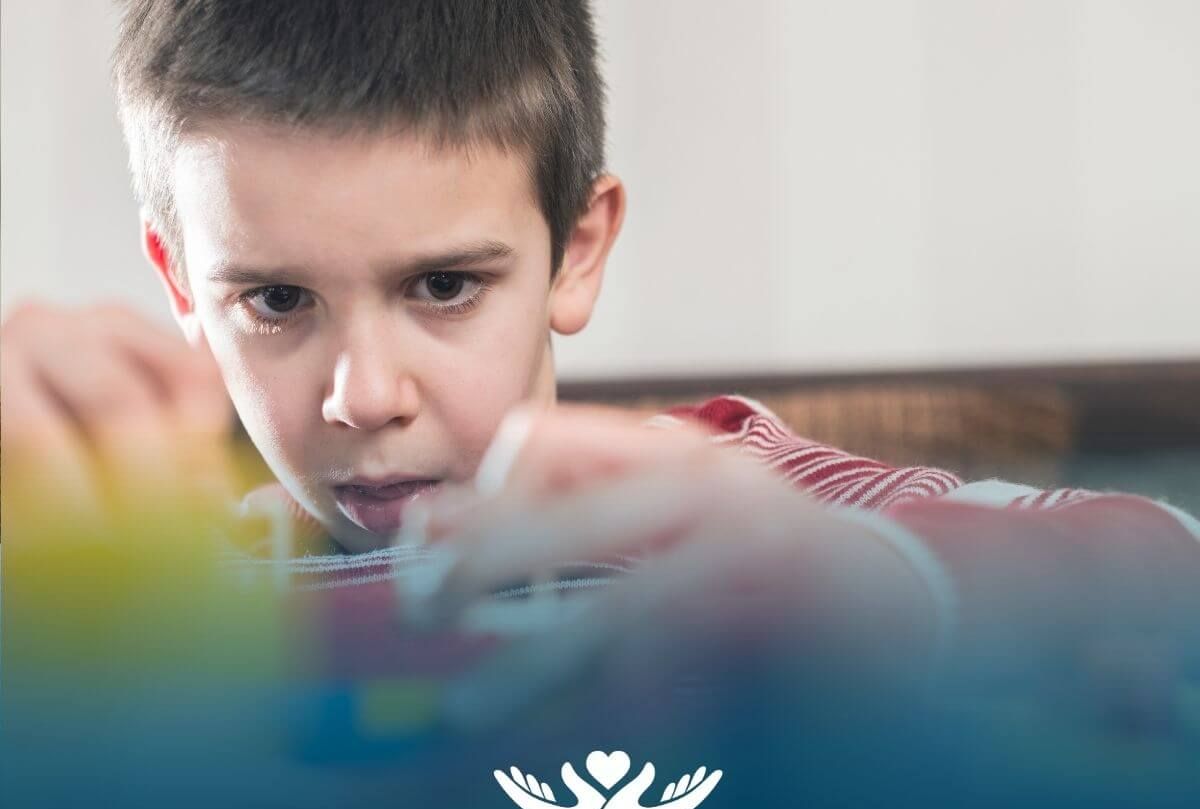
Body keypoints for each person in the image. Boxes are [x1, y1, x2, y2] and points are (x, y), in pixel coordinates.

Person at [1, 0, 1196, 665]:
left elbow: (1161, 569)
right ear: (178, 281)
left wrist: (858, 589)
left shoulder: (732, 497)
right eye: (276, 301)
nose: (363, 396)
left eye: (445, 286)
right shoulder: (151, 585)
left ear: (578, 247)